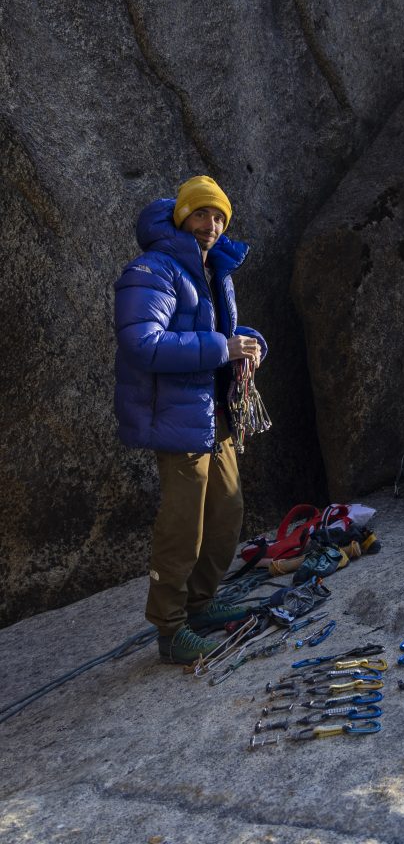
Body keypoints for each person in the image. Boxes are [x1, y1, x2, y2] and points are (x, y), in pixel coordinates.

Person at [114, 175, 267, 663]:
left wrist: (251, 342)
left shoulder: (212, 268)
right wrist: (224, 347)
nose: (212, 224)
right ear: (182, 216)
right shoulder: (153, 269)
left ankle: (200, 604)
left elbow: (215, 329)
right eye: (202, 213)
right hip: (175, 416)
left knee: (227, 512)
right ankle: (171, 627)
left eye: (219, 216)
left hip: (212, 411)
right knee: (184, 525)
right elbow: (143, 343)